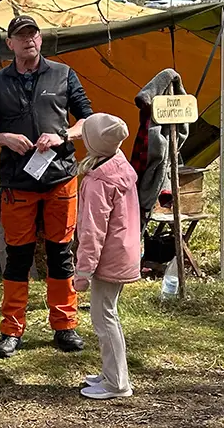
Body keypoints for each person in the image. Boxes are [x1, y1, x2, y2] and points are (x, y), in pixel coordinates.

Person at [0, 14, 93, 358]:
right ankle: (11, 330)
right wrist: (4, 138)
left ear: (41, 39)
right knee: (18, 256)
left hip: (60, 177)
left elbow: (88, 120)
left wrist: (62, 135)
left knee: (60, 252)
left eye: (34, 34)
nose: (29, 40)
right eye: (21, 36)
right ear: (9, 43)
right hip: (17, 181)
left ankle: (65, 326)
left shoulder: (63, 74)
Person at [73, 113, 140, 400]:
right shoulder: (118, 164)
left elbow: (92, 231)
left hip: (108, 259)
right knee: (106, 314)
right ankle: (111, 371)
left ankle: (117, 383)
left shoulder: (99, 181)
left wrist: (83, 273)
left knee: (104, 318)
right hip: (124, 251)